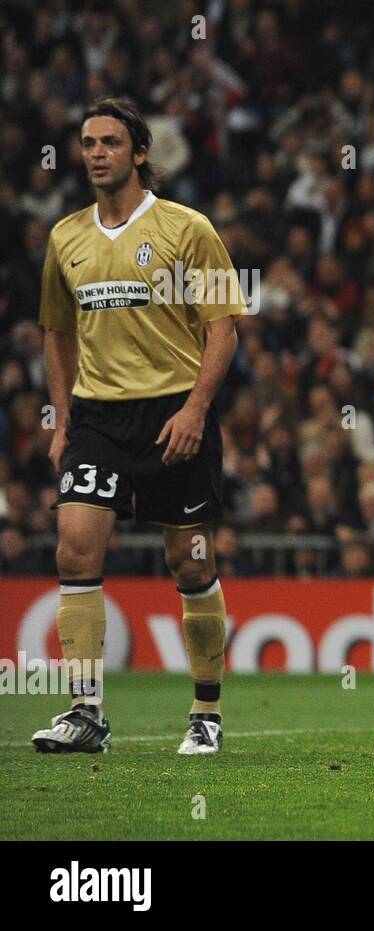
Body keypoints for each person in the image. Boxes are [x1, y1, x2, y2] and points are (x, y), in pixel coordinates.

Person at [32, 96, 243, 756]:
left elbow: (223, 328)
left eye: (110, 142)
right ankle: (86, 710)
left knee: (189, 560)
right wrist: (64, 418)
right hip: (98, 417)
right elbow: (56, 333)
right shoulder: (65, 237)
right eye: (88, 142)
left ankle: (206, 710)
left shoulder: (188, 229)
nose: (96, 152)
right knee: (75, 547)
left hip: (172, 410)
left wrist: (197, 409)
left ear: (140, 153)